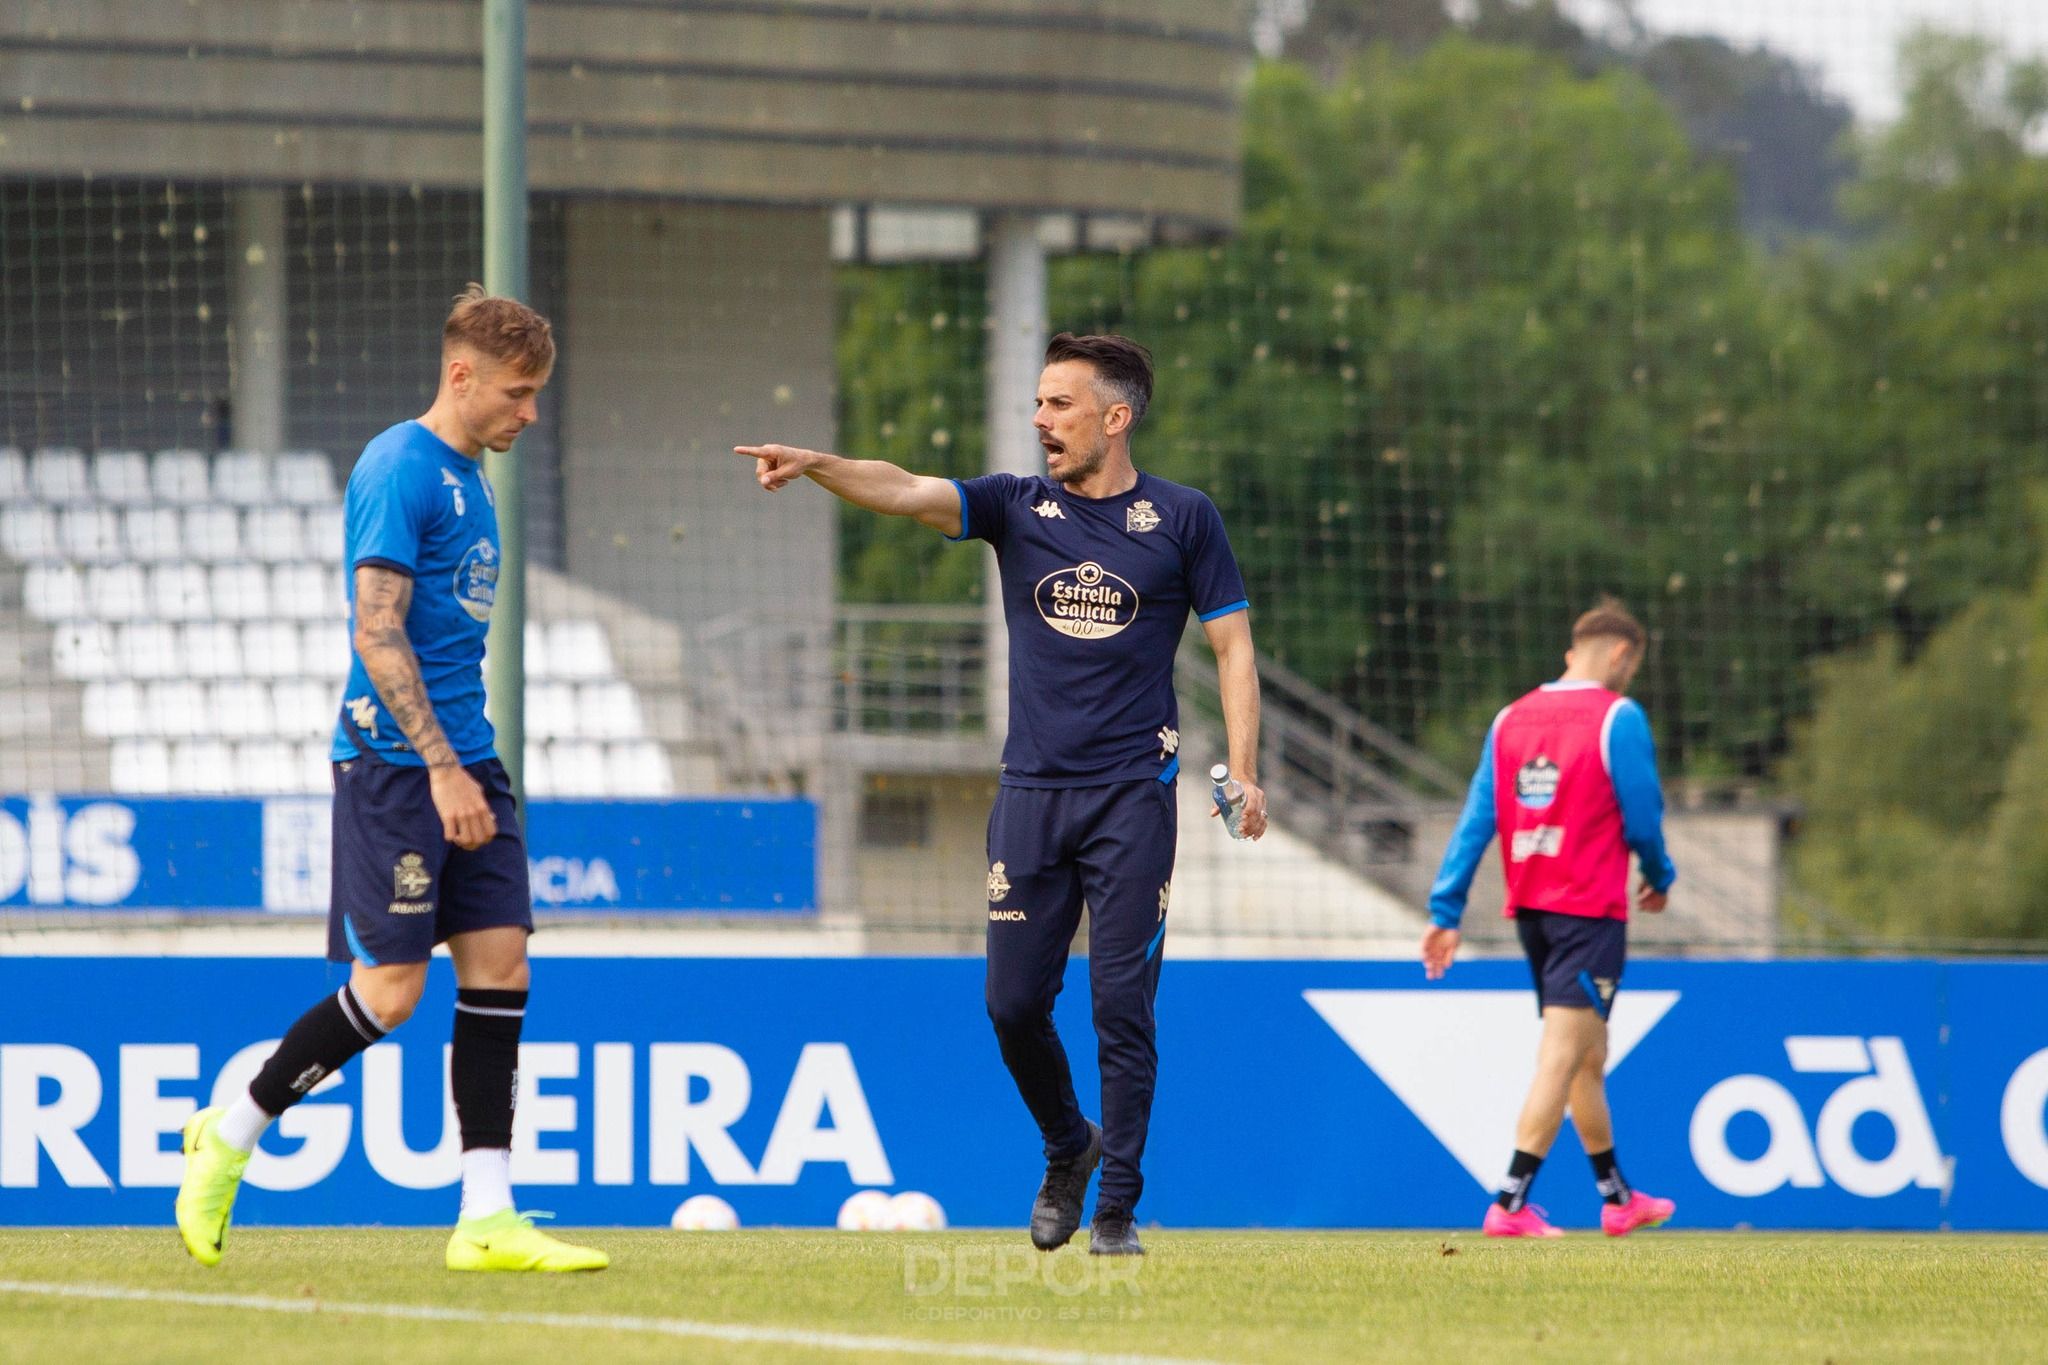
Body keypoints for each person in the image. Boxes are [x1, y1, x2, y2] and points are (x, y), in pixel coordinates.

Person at [737, 332, 1265, 1256]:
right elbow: (904, 488)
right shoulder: (1017, 506)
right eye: (1037, 402)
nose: (1039, 421)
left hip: (1133, 796)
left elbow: (1234, 648)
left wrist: (1247, 771)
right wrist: (820, 465)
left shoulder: (1184, 519)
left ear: (1116, 416)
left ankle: (1117, 1214)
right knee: (1011, 1003)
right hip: (1030, 795)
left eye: (1059, 405)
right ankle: (1070, 1144)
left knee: (1121, 1005)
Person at [174, 285, 607, 1273]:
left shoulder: (470, 472)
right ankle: (230, 1134)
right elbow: (375, 630)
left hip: (470, 760)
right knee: (393, 990)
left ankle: (486, 1217)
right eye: (518, 393)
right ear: (463, 377)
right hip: (398, 769)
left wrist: (469, 766)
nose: (529, 413)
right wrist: (443, 771)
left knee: (502, 967)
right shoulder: (397, 467)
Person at [1422, 599, 1678, 1239]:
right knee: (1563, 1055)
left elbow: (1478, 817)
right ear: (1621, 655)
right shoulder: (1618, 717)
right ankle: (1509, 1204)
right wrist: (1659, 873)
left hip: (1534, 911)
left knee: (1589, 1055)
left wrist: (1445, 909)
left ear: (1573, 651)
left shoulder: (1512, 718)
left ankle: (1617, 1197)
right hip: (1589, 912)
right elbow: (1644, 815)